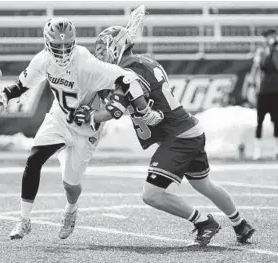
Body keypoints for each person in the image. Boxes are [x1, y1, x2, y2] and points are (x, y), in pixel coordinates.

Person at [73, 26, 255, 247]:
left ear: (116, 47)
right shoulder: (143, 62)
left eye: (103, 50)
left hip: (178, 137)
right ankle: (240, 224)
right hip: (190, 130)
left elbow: (114, 110)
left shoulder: (129, 71)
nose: (100, 55)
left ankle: (203, 222)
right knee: (204, 184)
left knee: (152, 195)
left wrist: (92, 117)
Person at [0, 18, 161, 240]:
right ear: (48, 44)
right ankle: (24, 220)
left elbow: (126, 77)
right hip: (60, 117)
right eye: (58, 47)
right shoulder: (43, 60)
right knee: (34, 158)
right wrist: (0, 99)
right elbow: (20, 86)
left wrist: (143, 108)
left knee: (70, 184)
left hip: (87, 125)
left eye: (68, 46)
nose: (64, 52)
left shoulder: (85, 61)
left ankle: (71, 209)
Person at [251, 29, 278, 160]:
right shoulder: (260, 51)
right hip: (263, 91)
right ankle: (257, 150)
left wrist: (274, 52)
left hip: (277, 90)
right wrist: (266, 52)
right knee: (259, 120)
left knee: (276, 121)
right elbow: (259, 66)